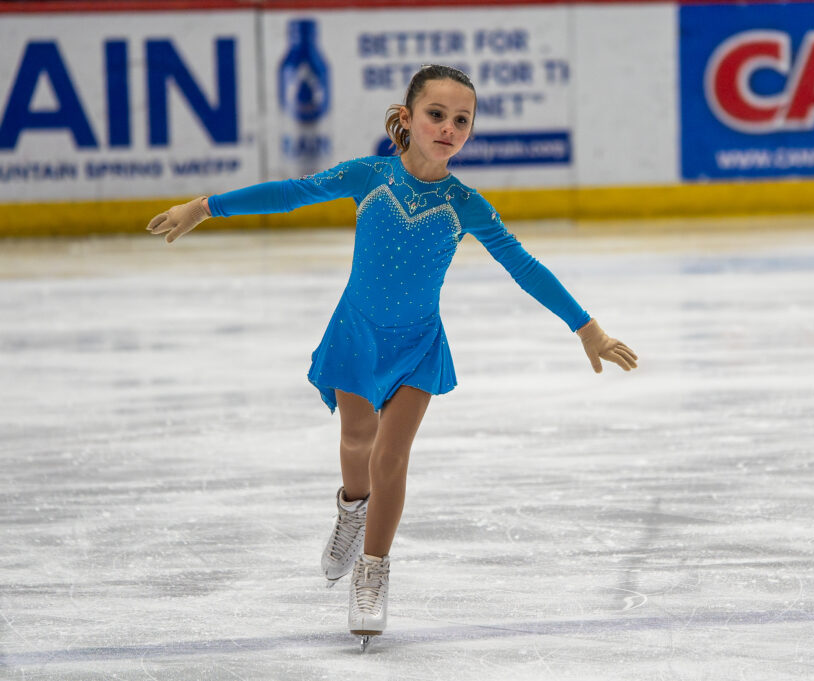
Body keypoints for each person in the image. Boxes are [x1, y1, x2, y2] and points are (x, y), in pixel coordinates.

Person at [146, 64, 638, 645]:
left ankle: (372, 570)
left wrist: (586, 328)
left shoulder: (466, 204)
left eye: (462, 120)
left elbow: (522, 265)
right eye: (437, 115)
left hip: (417, 345)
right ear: (406, 119)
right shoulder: (369, 176)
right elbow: (294, 192)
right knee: (357, 442)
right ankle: (351, 511)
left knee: (390, 457)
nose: (449, 128)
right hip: (358, 335)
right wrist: (205, 206)